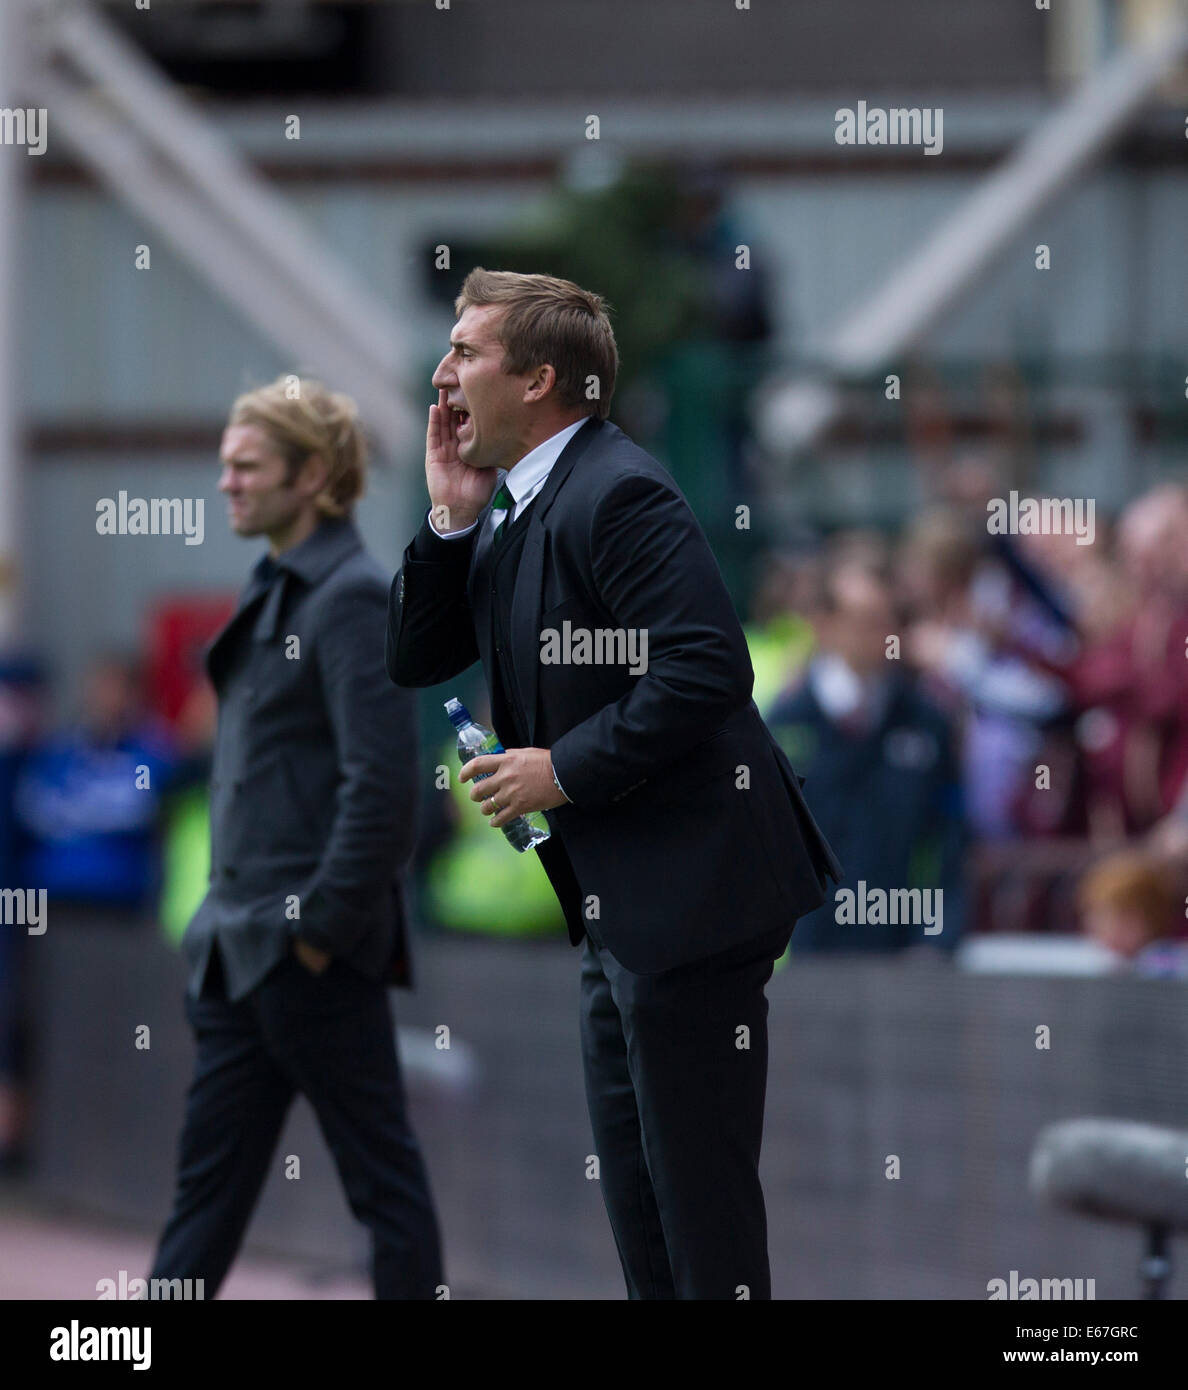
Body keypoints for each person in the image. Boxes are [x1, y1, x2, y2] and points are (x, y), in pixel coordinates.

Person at [387, 268, 840, 1300]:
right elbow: (418, 656)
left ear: (541, 379)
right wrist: (451, 519)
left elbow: (706, 666)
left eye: (465, 352)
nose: (440, 373)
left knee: (697, 1215)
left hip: (697, 899)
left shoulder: (618, 489)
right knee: (645, 1211)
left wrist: (561, 769)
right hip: (622, 910)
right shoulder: (518, 500)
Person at [150, 377, 442, 1300]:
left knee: (382, 1187)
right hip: (240, 952)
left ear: (312, 475)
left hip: (305, 954)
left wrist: (315, 932)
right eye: (226, 466)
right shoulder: (278, 585)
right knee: (206, 1199)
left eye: (248, 466)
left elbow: (385, 789)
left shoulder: (352, 598)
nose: (227, 483)